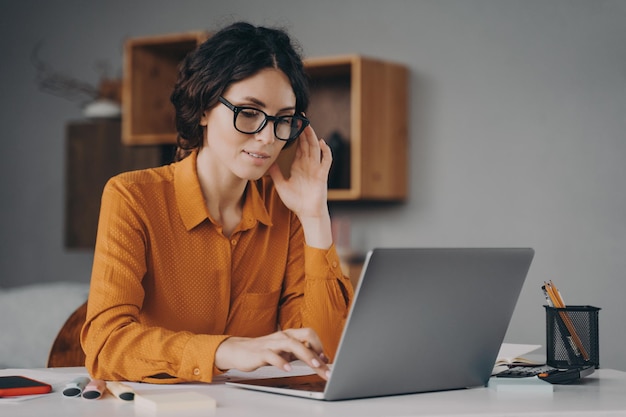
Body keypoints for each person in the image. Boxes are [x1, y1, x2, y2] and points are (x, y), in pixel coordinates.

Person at [80, 21, 354, 384]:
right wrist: (227, 350)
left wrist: (315, 215)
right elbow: (106, 343)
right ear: (205, 109)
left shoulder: (286, 214)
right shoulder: (132, 197)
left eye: (283, 120)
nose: (267, 137)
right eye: (250, 113)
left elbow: (325, 357)